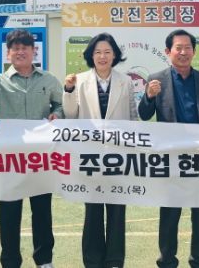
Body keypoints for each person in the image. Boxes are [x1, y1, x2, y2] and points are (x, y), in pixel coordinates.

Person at [0, 29, 63, 268]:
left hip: (40, 156)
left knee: (42, 211)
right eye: (15, 48)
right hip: (9, 157)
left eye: (25, 47)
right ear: (8, 53)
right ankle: (10, 261)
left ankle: (44, 260)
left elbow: (60, 104)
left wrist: (57, 114)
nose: (20, 52)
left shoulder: (48, 79)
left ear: (34, 51)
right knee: (9, 212)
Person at [138, 29, 199, 268]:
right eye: (178, 48)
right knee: (169, 213)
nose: (183, 52)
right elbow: (144, 115)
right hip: (171, 157)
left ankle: (198, 260)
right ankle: (166, 260)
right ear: (168, 51)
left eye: (188, 48)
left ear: (194, 51)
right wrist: (148, 96)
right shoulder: (156, 79)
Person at [62, 33, 137, 268]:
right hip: (90, 156)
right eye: (97, 52)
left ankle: (114, 260)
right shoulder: (79, 80)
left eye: (107, 52)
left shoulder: (126, 81)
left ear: (114, 55)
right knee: (92, 210)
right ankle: (92, 261)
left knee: (117, 211)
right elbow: (70, 114)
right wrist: (68, 89)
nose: (102, 56)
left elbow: (133, 117)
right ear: (90, 56)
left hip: (119, 156)